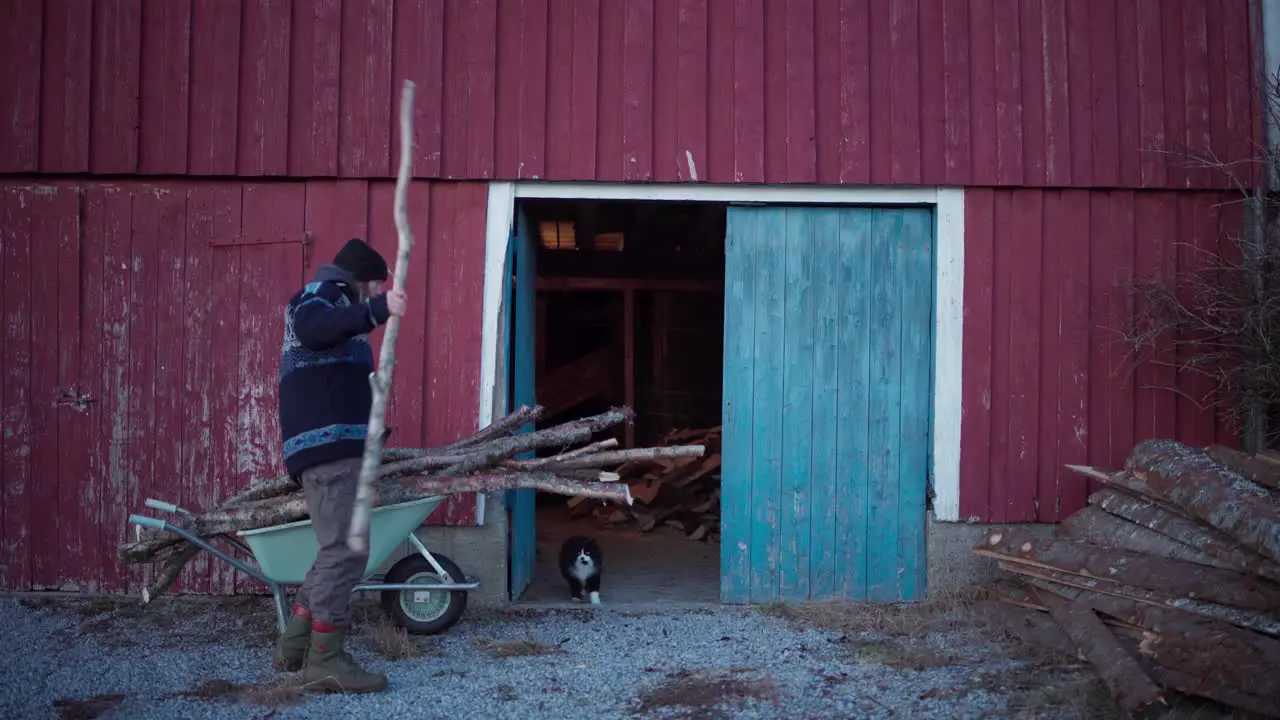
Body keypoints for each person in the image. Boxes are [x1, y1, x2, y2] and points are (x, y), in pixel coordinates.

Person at [272, 238, 407, 693]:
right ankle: (325, 660)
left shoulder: (334, 305)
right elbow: (312, 328)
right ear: (363, 279)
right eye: (374, 287)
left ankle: (295, 648)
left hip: (335, 449)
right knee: (346, 552)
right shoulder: (321, 296)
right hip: (328, 449)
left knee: (333, 551)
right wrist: (378, 310)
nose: (374, 295)